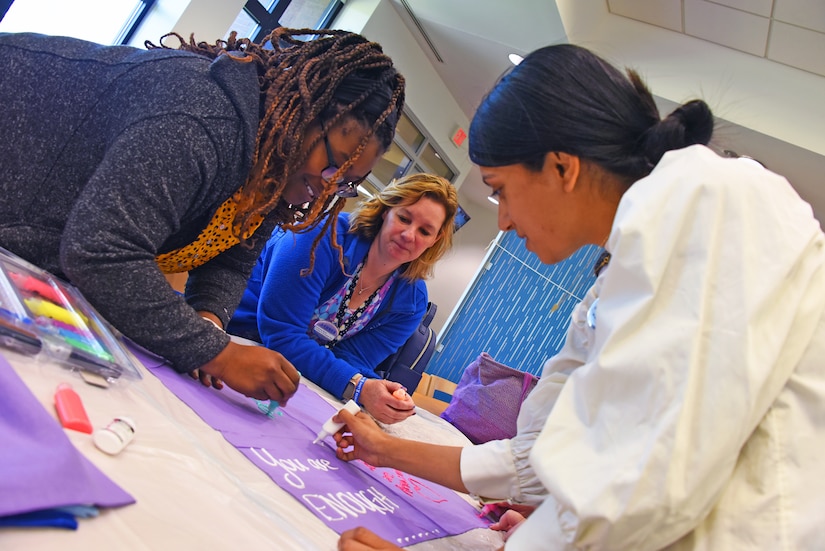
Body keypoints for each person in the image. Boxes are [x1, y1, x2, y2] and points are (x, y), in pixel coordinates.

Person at [334, 43, 825, 550]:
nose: (502, 219)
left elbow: (641, 489)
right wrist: (383, 450)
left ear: (562, 169)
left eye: (501, 190)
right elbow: (540, 459)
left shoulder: (709, 206)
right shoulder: (622, 268)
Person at [0, 27, 405, 405]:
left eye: (347, 183)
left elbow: (230, 261)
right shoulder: (205, 118)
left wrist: (208, 321)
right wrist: (219, 353)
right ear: (302, 113)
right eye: (335, 167)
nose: (329, 187)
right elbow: (101, 250)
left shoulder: (271, 170)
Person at [227, 173, 458, 424]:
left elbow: (353, 358)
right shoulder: (321, 236)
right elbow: (282, 333)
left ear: (434, 241)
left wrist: (379, 390)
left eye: (425, 231)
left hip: (298, 373)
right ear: (386, 211)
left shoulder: (412, 301)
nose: (409, 235)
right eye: (404, 218)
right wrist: (358, 387)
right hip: (236, 342)